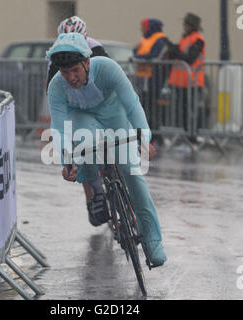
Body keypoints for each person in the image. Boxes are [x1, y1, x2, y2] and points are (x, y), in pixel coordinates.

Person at [46, 32, 167, 267]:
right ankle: (94, 182)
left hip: (113, 113)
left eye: (75, 71)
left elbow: (132, 104)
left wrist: (143, 136)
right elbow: (59, 128)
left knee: (133, 174)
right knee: (86, 143)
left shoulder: (108, 69)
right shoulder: (56, 86)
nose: (70, 77)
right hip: (81, 117)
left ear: (87, 62)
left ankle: (152, 240)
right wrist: (66, 160)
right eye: (65, 72)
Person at [45, 16, 109, 220]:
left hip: (98, 101)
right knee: (78, 147)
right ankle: (91, 198)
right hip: (75, 106)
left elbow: (111, 78)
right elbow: (54, 95)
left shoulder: (95, 48)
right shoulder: (58, 56)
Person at [166, 13, 206, 143]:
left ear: (191, 25)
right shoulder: (185, 39)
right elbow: (179, 54)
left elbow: (190, 58)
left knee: (190, 112)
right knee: (183, 112)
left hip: (192, 82)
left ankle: (192, 138)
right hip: (181, 82)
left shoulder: (198, 39)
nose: (183, 26)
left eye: (185, 24)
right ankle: (186, 137)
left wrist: (175, 51)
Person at [133, 18, 168, 146]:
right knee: (144, 110)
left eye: (144, 26)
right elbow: (136, 51)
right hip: (143, 80)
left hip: (154, 80)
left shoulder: (160, 40)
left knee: (152, 110)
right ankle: (150, 136)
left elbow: (155, 56)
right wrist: (139, 57)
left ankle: (156, 137)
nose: (142, 29)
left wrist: (139, 58)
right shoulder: (145, 39)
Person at [46, 16, 108, 87]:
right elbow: (50, 84)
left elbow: (108, 73)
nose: (72, 48)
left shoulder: (96, 47)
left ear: (85, 38)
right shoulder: (56, 53)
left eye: (77, 42)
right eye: (67, 43)